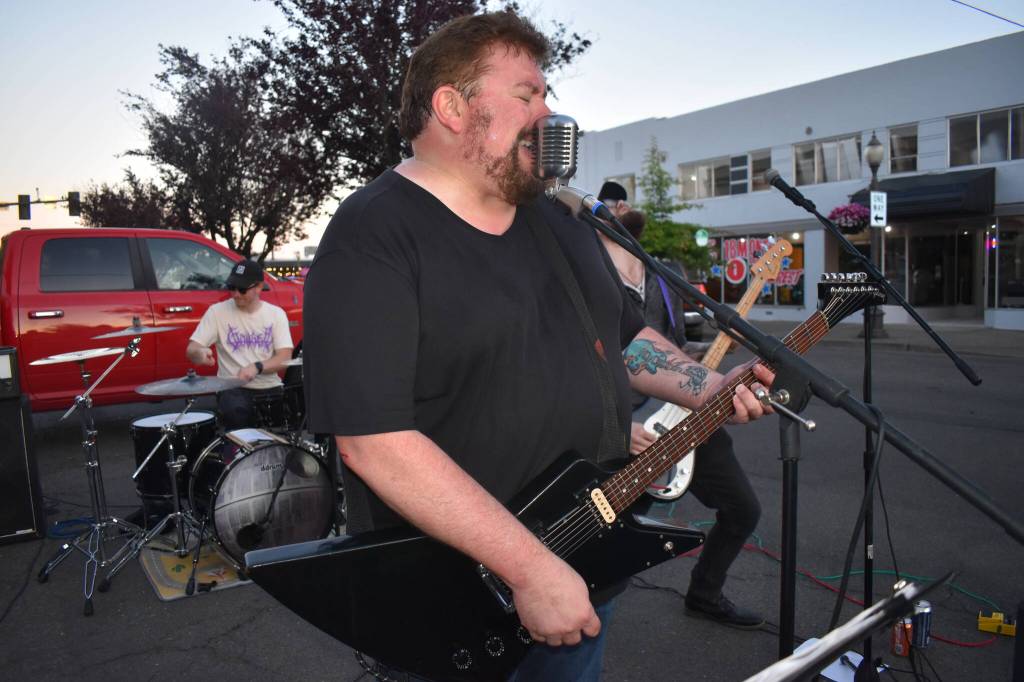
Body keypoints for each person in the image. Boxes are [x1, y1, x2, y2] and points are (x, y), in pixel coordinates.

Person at [302, 11, 774, 680]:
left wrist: (711, 388)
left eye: (547, 94)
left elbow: (624, 340)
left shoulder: (560, 221)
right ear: (452, 107)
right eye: (527, 94)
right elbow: (373, 441)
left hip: (585, 560)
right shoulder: (372, 235)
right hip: (457, 596)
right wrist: (528, 566)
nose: (549, 113)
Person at [595, 180, 766, 630]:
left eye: (621, 205)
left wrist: (715, 362)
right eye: (608, 206)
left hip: (684, 414)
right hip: (627, 426)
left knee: (743, 509)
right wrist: (611, 425)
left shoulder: (661, 276)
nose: (618, 211)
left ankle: (705, 592)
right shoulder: (589, 275)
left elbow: (676, 350)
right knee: (606, 537)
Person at [186, 258, 293, 433]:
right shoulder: (217, 312)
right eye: (232, 287)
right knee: (238, 416)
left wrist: (257, 367)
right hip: (232, 388)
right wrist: (199, 353)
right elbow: (192, 349)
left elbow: (285, 357)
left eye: (242, 289)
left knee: (283, 437)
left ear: (259, 287)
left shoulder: (276, 314)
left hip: (270, 389)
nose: (235, 294)